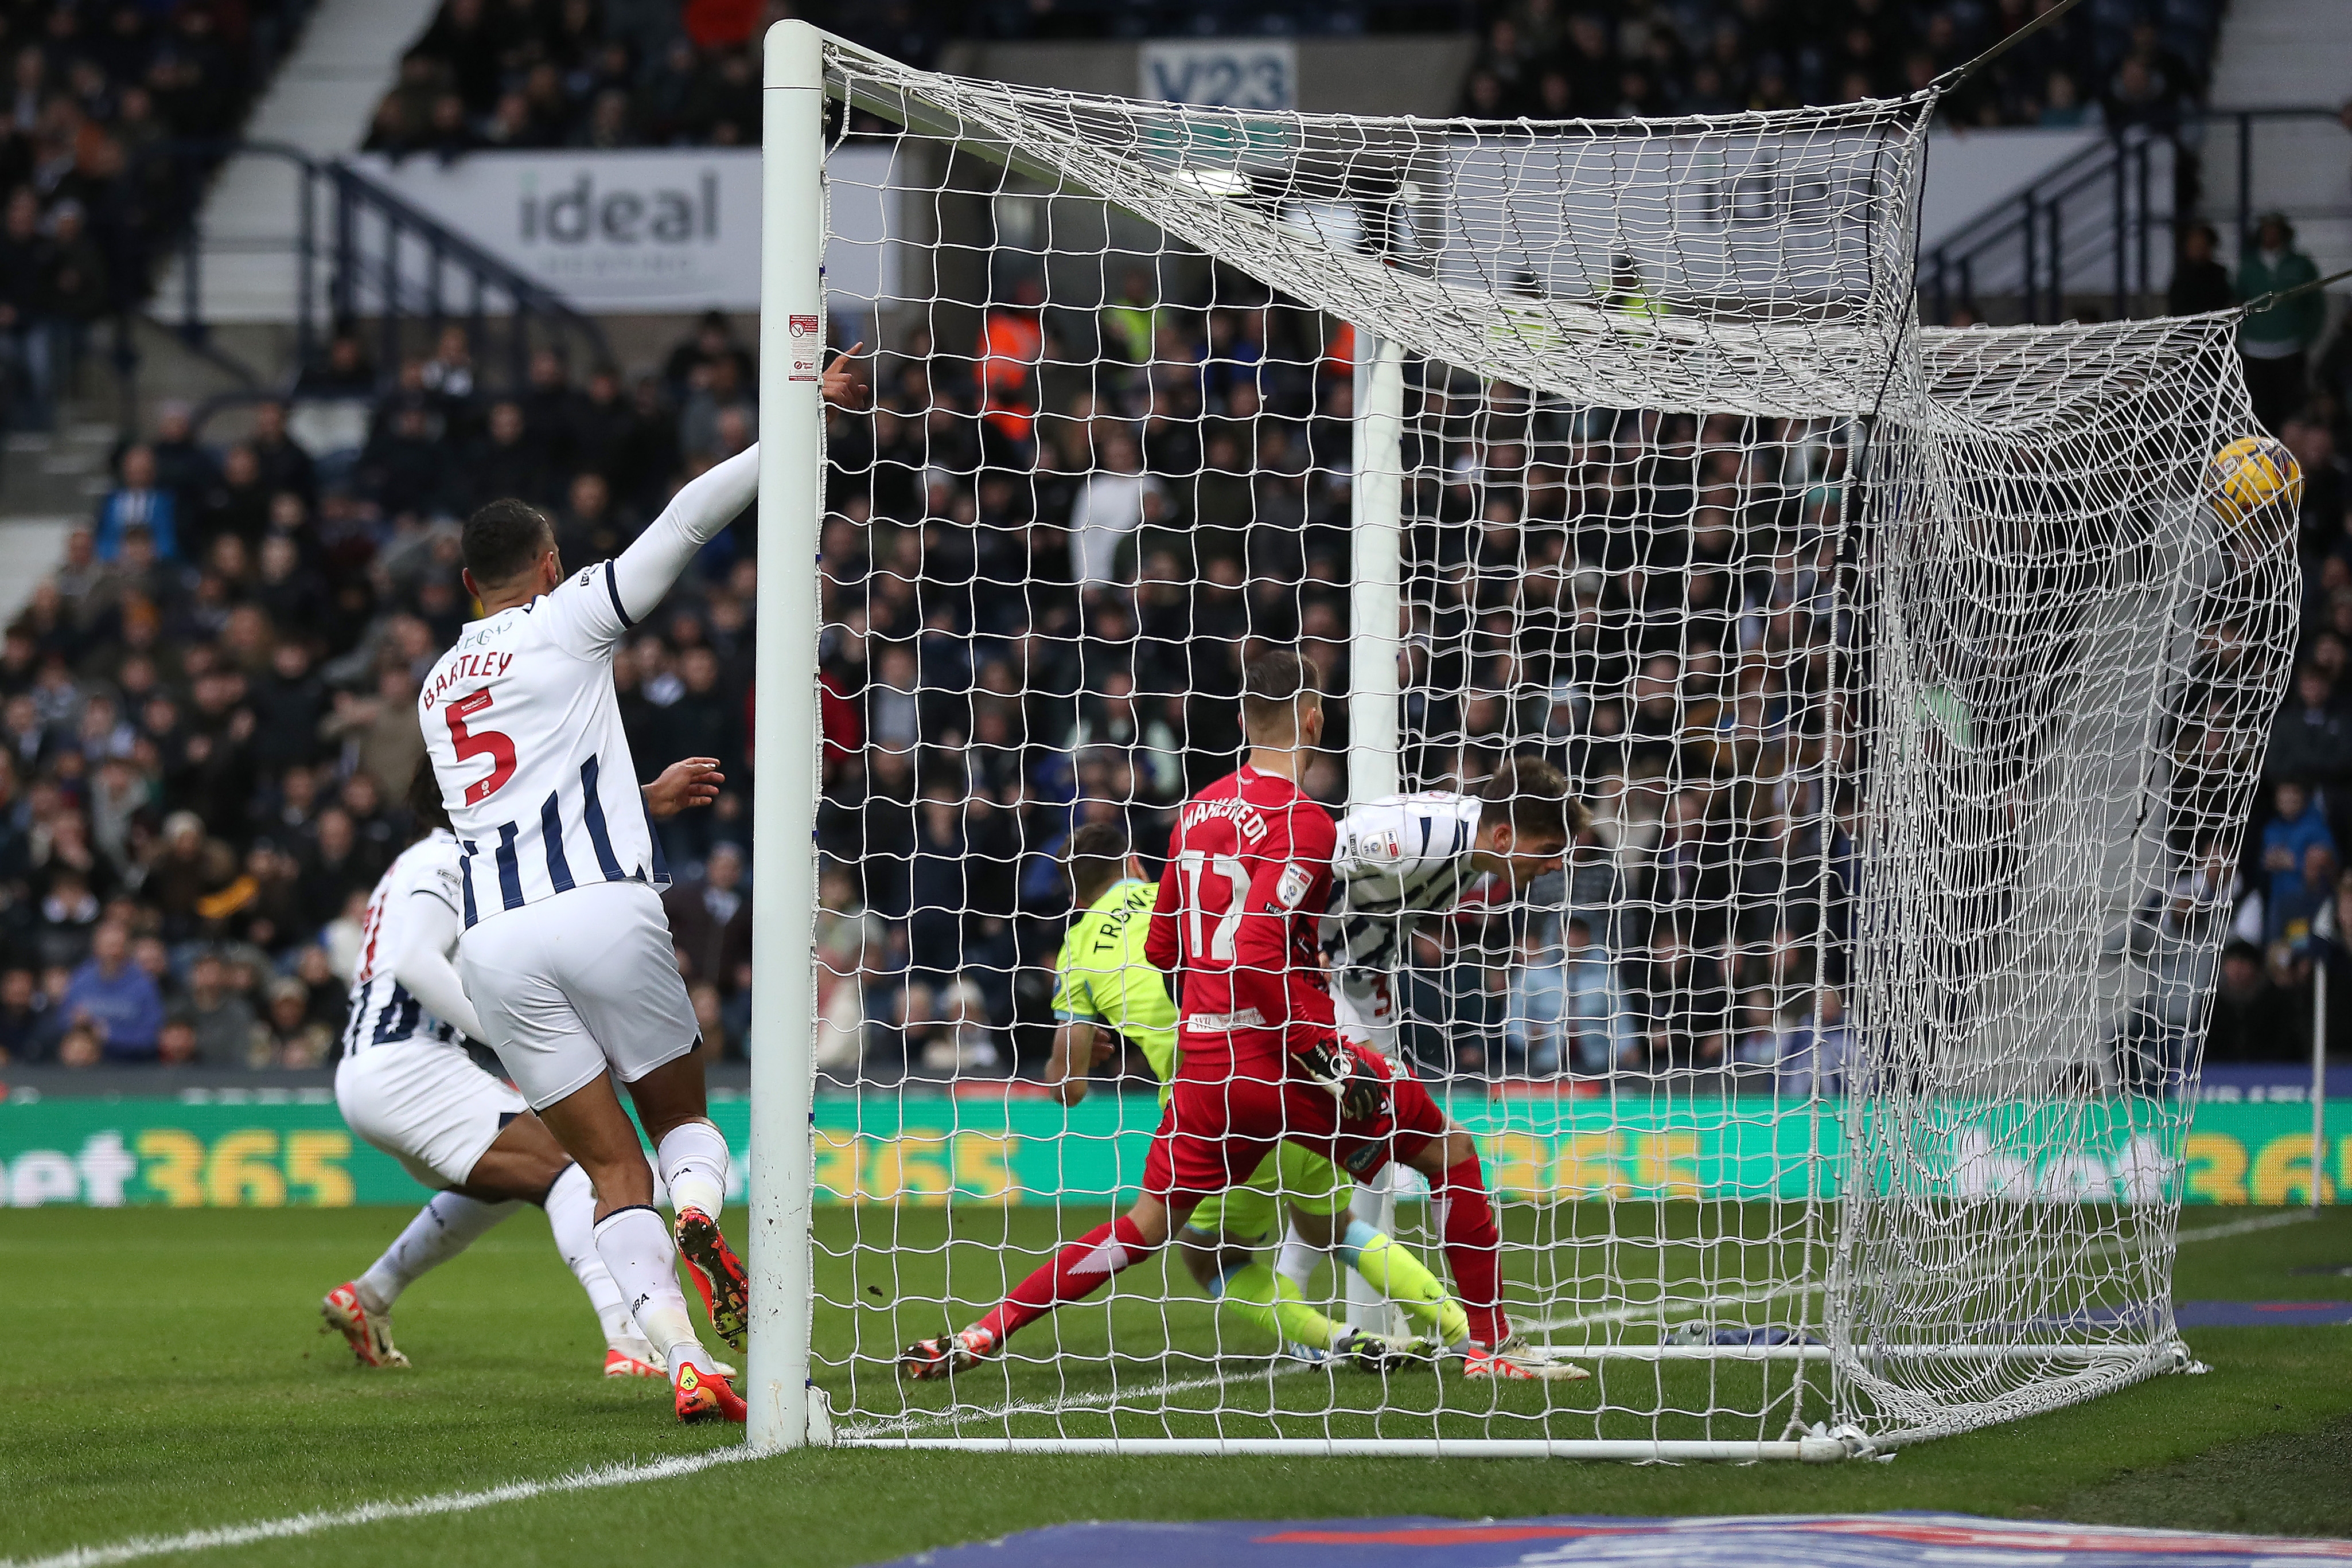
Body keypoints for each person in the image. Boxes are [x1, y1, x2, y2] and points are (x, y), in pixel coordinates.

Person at [902, 650, 1583, 1384]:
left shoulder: (1192, 814)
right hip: (1289, 1062)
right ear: (1316, 720)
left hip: (1204, 1069)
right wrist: (1323, 1055)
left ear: (1238, 721)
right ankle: (1490, 1346)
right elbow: (1259, 943)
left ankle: (983, 1332)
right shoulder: (1308, 824)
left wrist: (1208, 1024)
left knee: (1144, 1229)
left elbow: (1166, 948)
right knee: (1447, 1154)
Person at [417, 344, 860, 1425]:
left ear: (467, 583)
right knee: (678, 1125)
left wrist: (637, 793)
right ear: (552, 559)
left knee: (608, 1170)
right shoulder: (570, 614)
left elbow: (511, 795)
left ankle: (681, 1359)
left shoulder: (436, 686)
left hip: (497, 941)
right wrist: (800, 416)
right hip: (605, 910)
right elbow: (685, 521)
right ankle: (703, 1206)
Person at [322, 753, 727, 1379]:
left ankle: (369, 1295)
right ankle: (628, 1337)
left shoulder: (430, 860)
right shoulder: (444, 858)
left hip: (382, 1066)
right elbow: (414, 962)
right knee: (573, 1163)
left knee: (512, 1179)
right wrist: (509, 1038)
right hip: (407, 1065)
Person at [1041, 821, 1465, 1370]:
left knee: (1208, 1255)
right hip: (1302, 1073)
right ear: (1135, 865)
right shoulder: (1189, 893)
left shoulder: (1078, 949)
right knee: (1329, 1227)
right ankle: (1463, 1328)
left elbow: (1067, 1088)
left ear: (1075, 893)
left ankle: (1333, 1337)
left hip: (1217, 1110)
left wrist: (1089, 1050)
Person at [2236, 213, 2323, 434]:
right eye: (2266, 230)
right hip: (2253, 350)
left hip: (2290, 350)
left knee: (2292, 412)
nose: (2270, 235)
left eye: (2275, 229)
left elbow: (2316, 304)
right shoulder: (2248, 265)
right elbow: (2236, 302)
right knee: (2257, 411)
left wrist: (2306, 337)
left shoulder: (2301, 265)